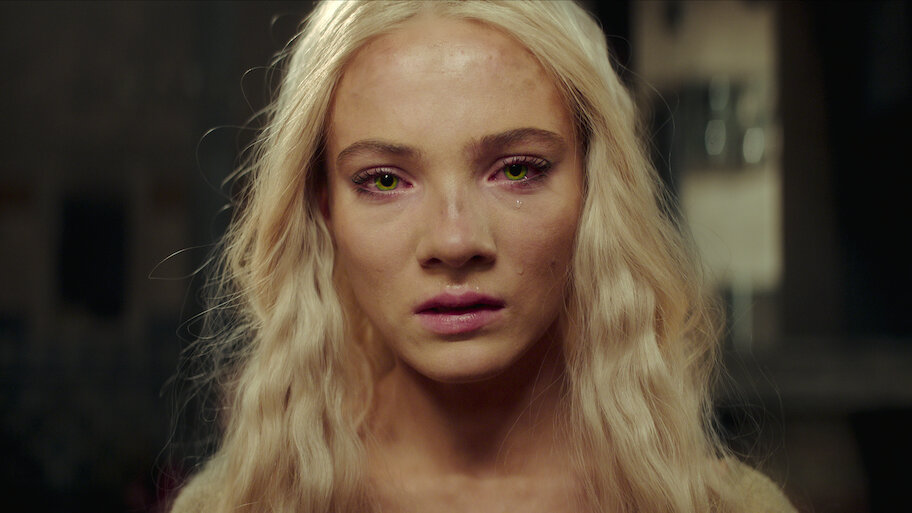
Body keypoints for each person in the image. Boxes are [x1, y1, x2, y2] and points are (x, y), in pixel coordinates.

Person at [170, 1, 796, 512]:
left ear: (594, 190)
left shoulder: (717, 506)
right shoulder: (243, 504)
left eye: (517, 169)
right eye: (384, 180)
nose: (454, 242)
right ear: (322, 206)